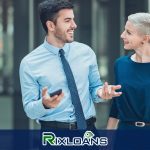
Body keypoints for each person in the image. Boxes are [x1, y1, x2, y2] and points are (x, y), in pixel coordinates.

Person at [19, 0, 121, 130]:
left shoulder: (86, 52)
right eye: (67, 20)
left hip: (88, 131)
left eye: (73, 19)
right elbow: (30, 110)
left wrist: (102, 93)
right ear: (51, 25)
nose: (74, 25)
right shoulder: (30, 63)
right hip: (54, 134)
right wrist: (44, 104)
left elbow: (95, 88)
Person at [107, 12, 150, 129]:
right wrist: (107, 140)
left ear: (145, 39)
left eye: (128, 32)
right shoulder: (121, 64)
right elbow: (116, 105)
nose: (122, 35)